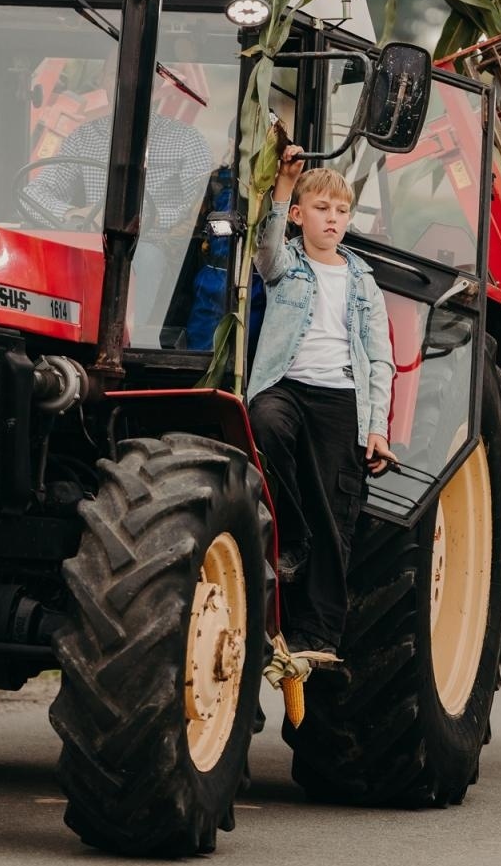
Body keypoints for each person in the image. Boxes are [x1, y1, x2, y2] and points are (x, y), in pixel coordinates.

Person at [246, 146, 396, 657]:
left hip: (341, 399)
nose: (332, 219)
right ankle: (291, 538)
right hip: (287, 386)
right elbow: (264, 251)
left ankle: (318, 635)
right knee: (263, 420)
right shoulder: (287, 266)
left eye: (340, 211)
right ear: (298, 216)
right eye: (320, 209)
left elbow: (379, 358)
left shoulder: (363, 281)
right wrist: (284, 184)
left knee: (336, 515)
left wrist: (376, 426)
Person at [23, 63, 212, 341]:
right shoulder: (84, 137)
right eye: (115, 71)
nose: (126, 80)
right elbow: (33, 194)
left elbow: (198, 210)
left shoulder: (187, 142)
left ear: (157, 85)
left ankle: (128, 345)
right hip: (91, 244)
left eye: (138, 72)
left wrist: (151, 219)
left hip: (155, 246)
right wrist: (73, 213)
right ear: (102, 80)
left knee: (144, 257)